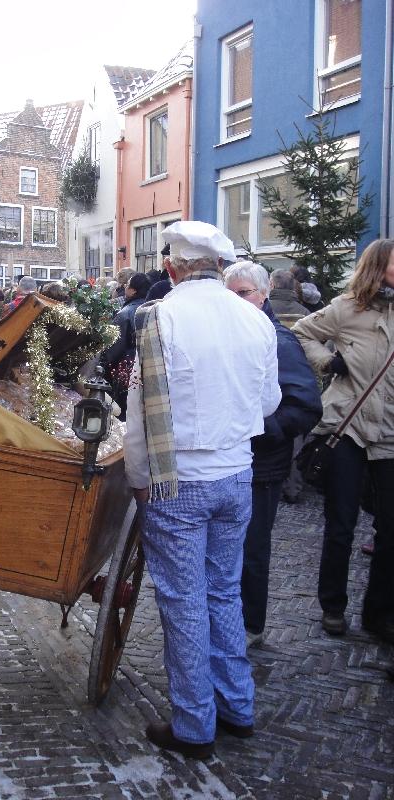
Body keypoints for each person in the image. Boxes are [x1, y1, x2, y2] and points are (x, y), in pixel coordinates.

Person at [124, 221, 281, 758]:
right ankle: (238, 706)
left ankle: (194, 725)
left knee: (184, 601)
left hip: (180, 479)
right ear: (219, 267)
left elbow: (139, 420)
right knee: (222, 592)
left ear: (171, 267)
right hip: (237, 474)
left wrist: (138, 480)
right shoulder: (254, 317)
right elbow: (268, 404)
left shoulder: (158, 318)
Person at [293, 238, 394, 643]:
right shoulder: (347, 309)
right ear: (378, 266)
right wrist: (327, 361)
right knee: (341, 524)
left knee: (390, 529)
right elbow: (302, 332)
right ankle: (333, 606)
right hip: (347, 428)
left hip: (390, 430)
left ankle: (380, 613)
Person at [224, 262, 322, 647]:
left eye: (244, 292)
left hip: (261, 464)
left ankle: (250, 626)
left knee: (251, 549)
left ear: (264, 294)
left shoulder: (279, 341)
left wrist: (263, 431)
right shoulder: (226, 336)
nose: (236, 301)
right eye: (229, 293)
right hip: (230, 462)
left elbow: (306, 406)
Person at [100, 272, 151, 420]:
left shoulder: (125, 313)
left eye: (128, 285)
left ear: (133, 290)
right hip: (145, 372)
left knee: (123, 416)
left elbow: (113, 348)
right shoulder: (151, 309)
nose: (125, 287)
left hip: (124, 375)